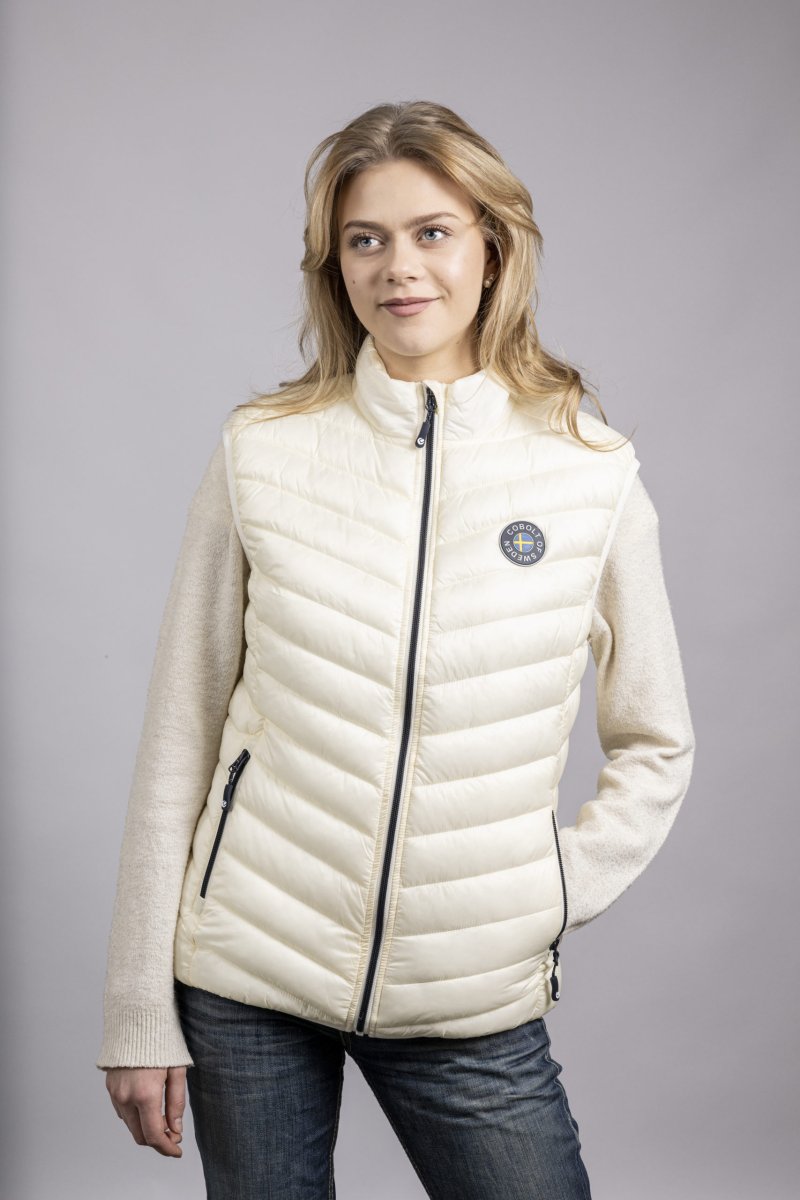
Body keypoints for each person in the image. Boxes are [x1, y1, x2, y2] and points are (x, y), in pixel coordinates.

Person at [97, 99, 695, 1199]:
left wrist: (546, 891)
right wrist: (138, 1008)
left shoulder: (588, 469)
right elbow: (181, 729)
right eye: (364, 240)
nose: (398, 268)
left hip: (468, 987)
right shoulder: (263, 451)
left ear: (491, 249)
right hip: (247, 975)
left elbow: (656, 741)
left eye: (431, 233)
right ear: (335, 267)